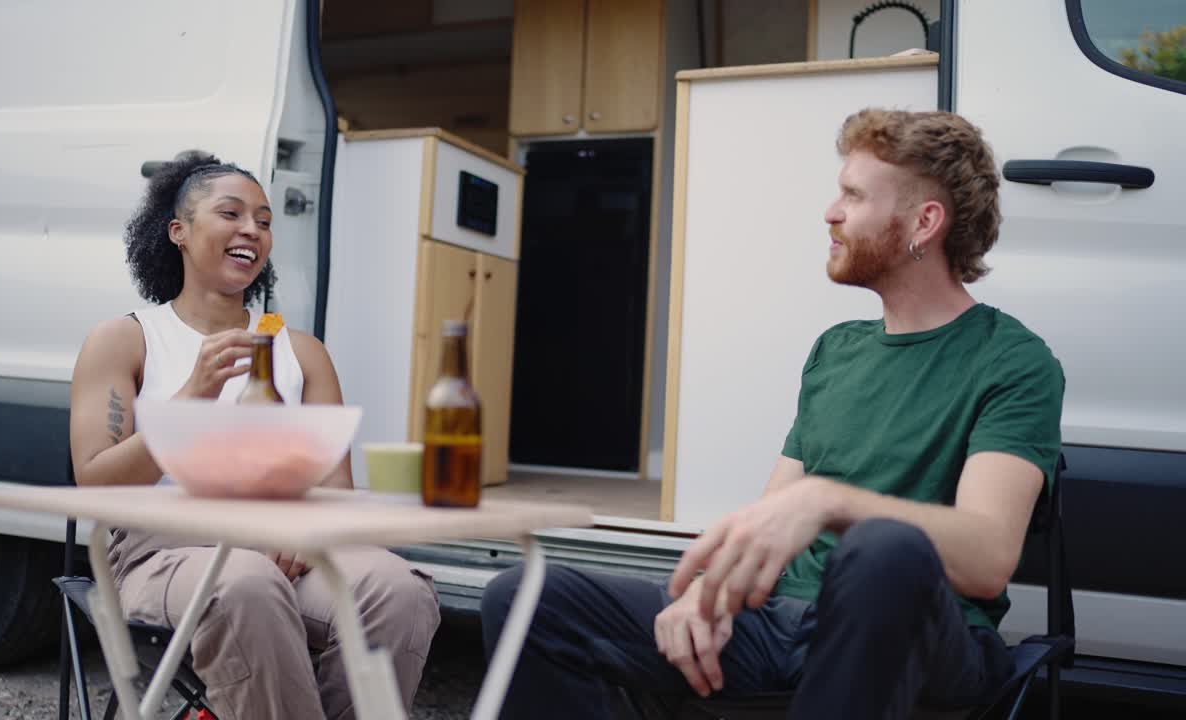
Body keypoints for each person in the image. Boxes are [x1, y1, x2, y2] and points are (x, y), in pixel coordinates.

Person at [481, 109, 1064, 719]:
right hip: (783, 627)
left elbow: (989, 559)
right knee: (526, 597)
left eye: (853, 195)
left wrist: (829, 502)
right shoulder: (836, 351)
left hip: (920, 638)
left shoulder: (1013, 361)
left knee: (885, 550)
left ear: (924, 222)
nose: (830, 212)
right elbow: (771, 520)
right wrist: (708, 595)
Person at [69, 152, 441, 720]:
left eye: (264, 221)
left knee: (399, 590)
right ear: (179, 232)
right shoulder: (126, 339)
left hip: (287, 552)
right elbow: (93, 480)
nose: (252, 230)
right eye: (232, 214)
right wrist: (192, 398)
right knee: (240, 580)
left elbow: (336, 489)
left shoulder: (302, 351)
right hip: (163, 552)